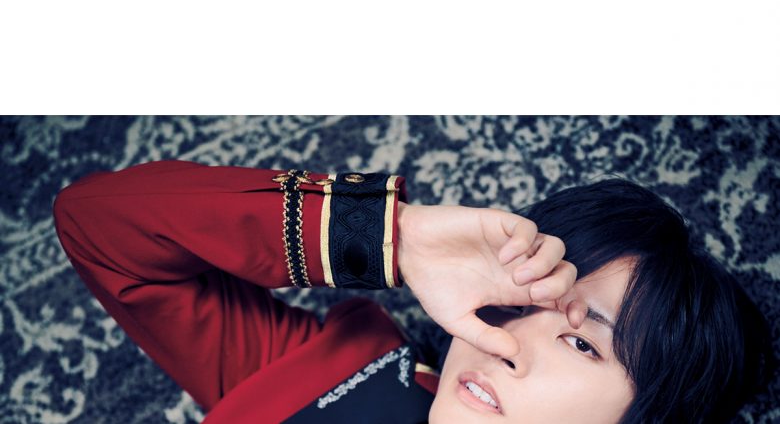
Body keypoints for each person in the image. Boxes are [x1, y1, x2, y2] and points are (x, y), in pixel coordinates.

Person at [52, 159, 772, 423]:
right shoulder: (340, 369)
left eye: (582, 342)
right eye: (518, 300)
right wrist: (390, 235)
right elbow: (99, 224)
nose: (503, 341)